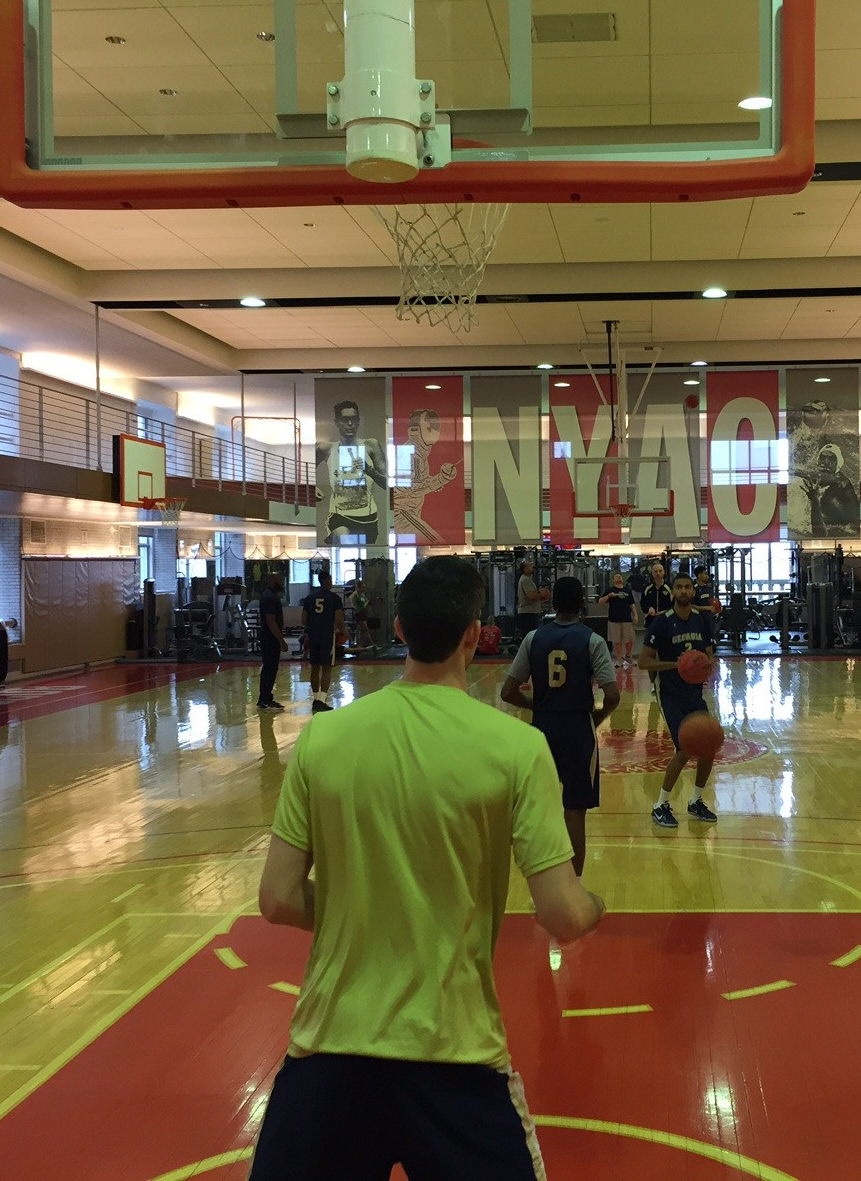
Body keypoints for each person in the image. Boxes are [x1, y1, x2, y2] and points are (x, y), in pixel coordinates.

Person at [252, 556, 603, 1179]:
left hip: (328, 1057)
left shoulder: (323, 739)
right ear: (475, 635)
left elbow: (277, 898)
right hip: (455, 1059)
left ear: (400, 628)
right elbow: (565, 915)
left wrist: (361, 913)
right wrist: (596, 905)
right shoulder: (518, 748)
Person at [501, 576, 620, 877]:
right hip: (578, 728)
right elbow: (612, 696)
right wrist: (597, 717)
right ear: (582, 603)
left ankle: (542, 883)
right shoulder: (593, 640)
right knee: (575, 810)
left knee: (541, 810)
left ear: (552, 603)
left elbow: (508, 692)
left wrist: (538, 707)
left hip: (543, 729)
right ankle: (573, 886)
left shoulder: (533, 638)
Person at [639, 573, 720, 828]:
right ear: (673, 591)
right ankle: (660, 804)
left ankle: (695, 800)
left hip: (694, 693)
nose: (683, 591)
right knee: (684, 750)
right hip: (670, 694)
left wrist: (702, 667)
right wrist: (677, 665)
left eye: (687, 587)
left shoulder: (701, 621)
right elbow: (643, 661)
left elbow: (708, 656)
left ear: (693, 592)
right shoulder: (661, 623)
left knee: (708, 747)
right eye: (679, 587)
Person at [315, 400, 387, 546]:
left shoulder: (371, 446)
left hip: (368, 517)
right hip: (339, 516)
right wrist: (311, 487)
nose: (349, 424)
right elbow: (301, 470)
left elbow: (387, 483)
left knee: (366, 558)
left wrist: (369, 471)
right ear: (336, 422)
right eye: (344, 420)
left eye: (353, 419)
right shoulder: (326, 448)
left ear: (359, 421)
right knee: (345, 541)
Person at [390, 408, 459, 541]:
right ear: (415, 430)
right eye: (430, 427)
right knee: (438, 543)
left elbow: (418, 483)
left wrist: (432, 483)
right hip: (404, 515)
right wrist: (441, 478)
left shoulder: (416, 453)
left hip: (410, 513)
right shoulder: (413, 455)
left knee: (415, 547)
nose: (435, 431)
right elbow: (415, 489)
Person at [302, 570, 345, 712]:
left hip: (313, 635)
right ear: (327, 580)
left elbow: (303, 620)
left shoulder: (309, 598)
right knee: (326, 668)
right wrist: (344, 632)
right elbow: (339, 619)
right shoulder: (334, 598)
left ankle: (315, 699)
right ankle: (321, 700)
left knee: (314, 668)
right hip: (327, 635)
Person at [258, 577, 287, 712]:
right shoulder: (270, 598)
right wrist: (281, 640)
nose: (281, 583)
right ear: (271, 582)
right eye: (279, 581)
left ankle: (266, 697)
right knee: (269, 668)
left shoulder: (270, 596)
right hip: (270, 638)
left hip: (269, 637)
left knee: (270, 668)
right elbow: (271, 621)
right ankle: (264, 699)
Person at [600, 573, 636, 667]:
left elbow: (632, 604)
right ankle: (619, 659)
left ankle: (628, 656)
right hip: (614, 619)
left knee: (629, 639)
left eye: (620, 576)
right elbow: (600, 602)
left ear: (623, 580)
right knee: (617, 640)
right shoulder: (610, 590)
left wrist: (635, 615)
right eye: (616, 576)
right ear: (613, 580)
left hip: (627, 619)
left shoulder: (628, 590)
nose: (619, 577)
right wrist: (608, 596)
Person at [515, 560, 547, 641]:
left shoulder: (527, 579)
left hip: (529, 612)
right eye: (529, 566)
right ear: (525, 569)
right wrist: (542, 594)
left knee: (529, 637)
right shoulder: (526, 580)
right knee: (530, 637)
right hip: (528, 613)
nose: (532, 567)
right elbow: (531, 596)